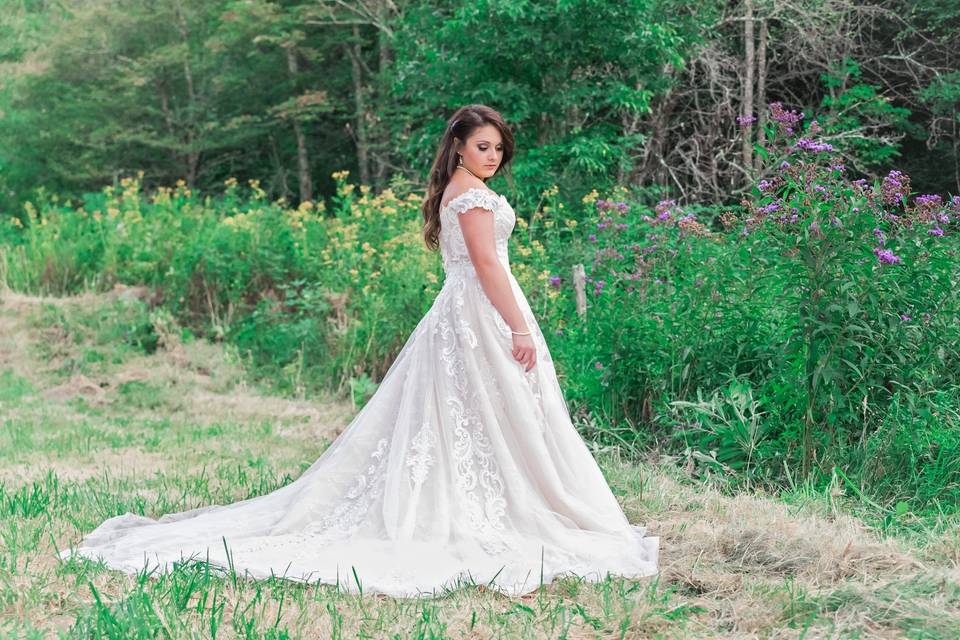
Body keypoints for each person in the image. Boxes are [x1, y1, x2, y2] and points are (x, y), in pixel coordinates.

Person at [58, 104, 659, 598]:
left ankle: (508, 495)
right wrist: (521, 328)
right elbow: (484, 264)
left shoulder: (459, 191)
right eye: (483, 147)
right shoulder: (471, 197)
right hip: (479, 313)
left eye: (499, 148)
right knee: (481, 411)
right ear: (457, 148)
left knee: (477, 415)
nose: (493, 157)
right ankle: (497, 507)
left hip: (464, 312)